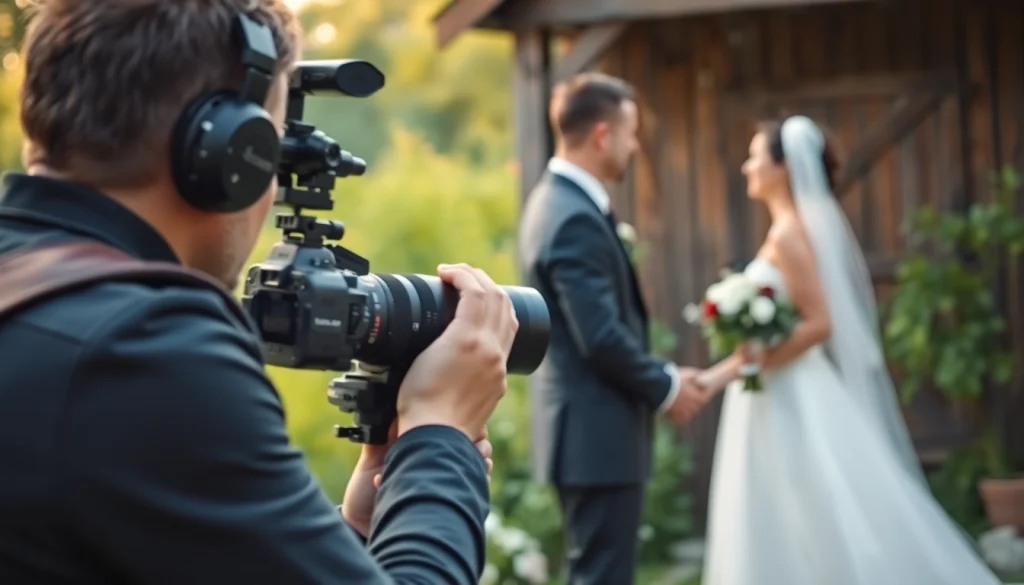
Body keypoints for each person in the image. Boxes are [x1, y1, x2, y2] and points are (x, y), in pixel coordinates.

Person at [0, 1, 518, 583]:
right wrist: (439, 433)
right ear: (224, 153)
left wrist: (350, 533)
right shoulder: (144, 350)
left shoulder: (43, 305)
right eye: (272, 151)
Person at [694, 115, 1002, 585]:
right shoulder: (787, 230)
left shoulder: (789, 235)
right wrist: (730, 368)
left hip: (789, 393)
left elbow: (819, 323)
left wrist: (743, 366)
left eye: (755, 156)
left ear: (783, 168)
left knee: (816, 509)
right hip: (774, 388)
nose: (746, 167)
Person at [517, 72, 705, 585]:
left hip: (586, 438)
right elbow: (597, 336)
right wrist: (665, 385)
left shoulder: (553, 202)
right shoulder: (572, 216)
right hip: (596, 440)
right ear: (603, 135)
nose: (635, 145)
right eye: (629, 132)